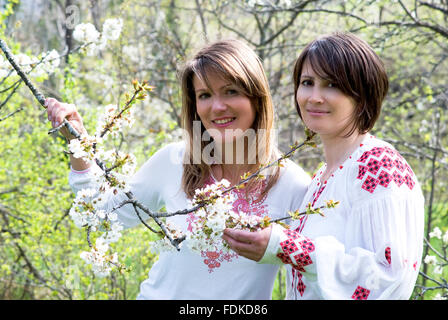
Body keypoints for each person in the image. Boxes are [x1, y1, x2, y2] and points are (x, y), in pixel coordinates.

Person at [45, 39, 310, 299]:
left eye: (231, 91)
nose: (217, 107)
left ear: (257, 97)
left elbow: (308, 278)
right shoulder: (173, 162)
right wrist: (77, 140)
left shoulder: (293, 186)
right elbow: (102, 216)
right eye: (204, 95)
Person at [222, 32, 424, 300]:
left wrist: (287, 246)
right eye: (307, 82)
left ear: (362, 95)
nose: (314, 97)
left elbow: (390, 274)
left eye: (332, 85)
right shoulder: (322, 175)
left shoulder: (378, 165)